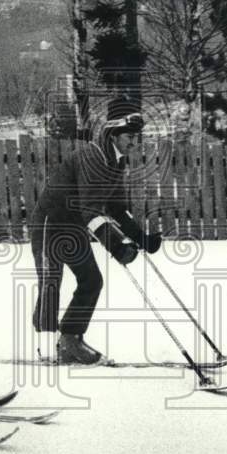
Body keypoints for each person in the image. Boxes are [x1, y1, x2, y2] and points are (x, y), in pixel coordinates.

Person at [29, 102, 162, 364]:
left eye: (137, 137)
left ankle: (70, 340)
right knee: (51, 282)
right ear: (113, 134)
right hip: (50, 223)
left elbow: (115, 206)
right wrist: (116, 247)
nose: (135, 143)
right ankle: (46, 344)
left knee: (91, 280)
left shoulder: (116, 161)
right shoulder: (93, 157)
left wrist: (139, 237)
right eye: (130, 137)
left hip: (74, 225)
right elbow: (91, 209)